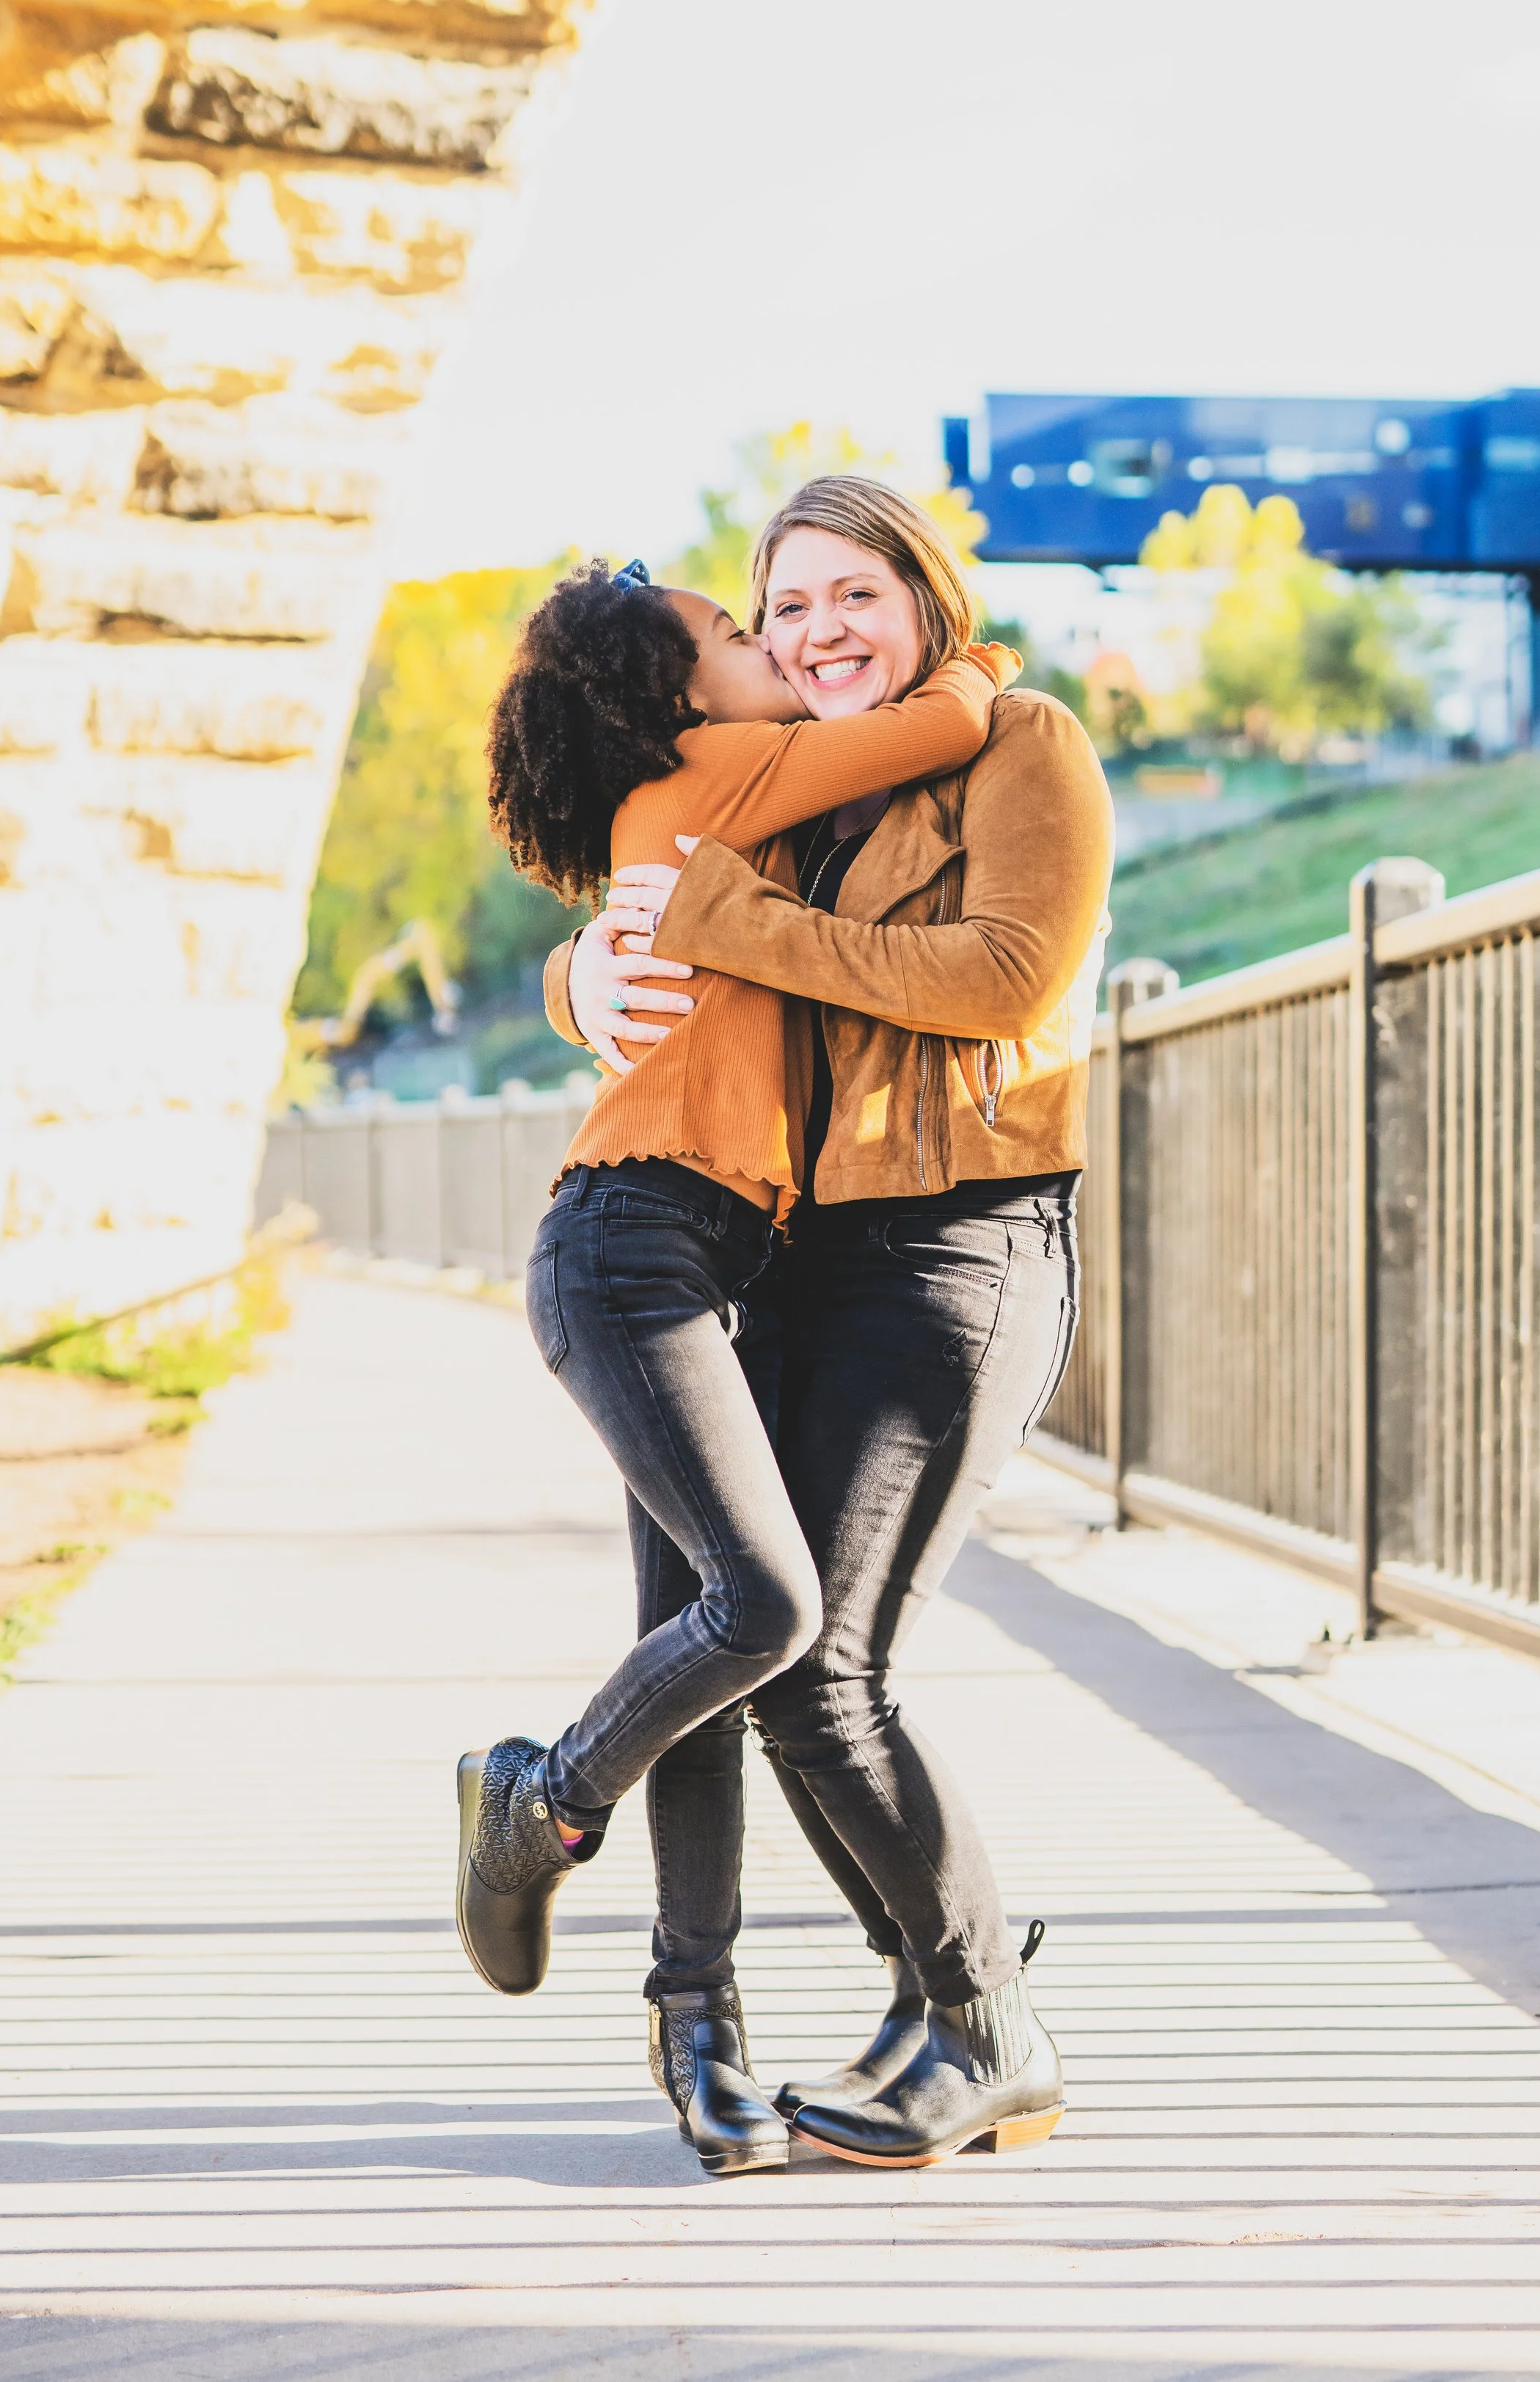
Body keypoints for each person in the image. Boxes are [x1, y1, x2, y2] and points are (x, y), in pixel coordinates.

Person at [553, 476, 1114, 2168]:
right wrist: (583, 971)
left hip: (959, 1245)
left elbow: (1008, 975)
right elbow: (658, 908)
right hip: (775, 1253)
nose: (814, 635)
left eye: (849, 594)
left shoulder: (1023, 741)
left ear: (922, 594)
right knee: (765, 1646)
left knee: (819, 1660)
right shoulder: (788, 777)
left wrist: (741, 923)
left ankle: (980, 2020)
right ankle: (885, 1996)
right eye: (782, 608)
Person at [461, 553, 1018, 2176]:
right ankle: (541, 1802)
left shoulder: (714, 797)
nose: (772, 641)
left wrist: (570, 976)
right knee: (763, 1615)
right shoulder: (723, 769)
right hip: (633, 1248)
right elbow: (954, 712)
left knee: (702, 1634)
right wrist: (968, 663)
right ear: (674, 695)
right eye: (737, 628)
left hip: (716, 1258)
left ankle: (695, 2029)